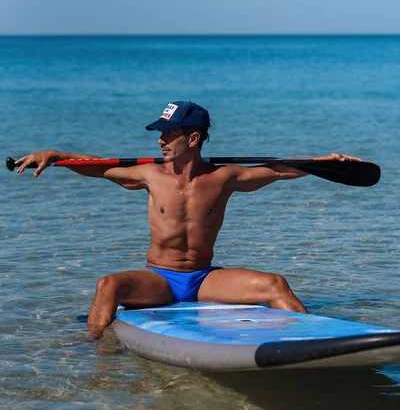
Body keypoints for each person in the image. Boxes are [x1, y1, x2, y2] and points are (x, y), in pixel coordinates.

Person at [16, 100, 361, 341]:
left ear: (193, 139)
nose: (159, 140)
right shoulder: (150, 175)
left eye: (168, 134)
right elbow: (98, 166)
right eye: (160, 133)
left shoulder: (224, 178)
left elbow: (279, 171)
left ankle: (310, 339)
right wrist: (57, 155)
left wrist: (326, 162)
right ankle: (93, 344)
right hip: (160, 279)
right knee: (109, 285)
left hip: (204, 278)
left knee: (275, 285)